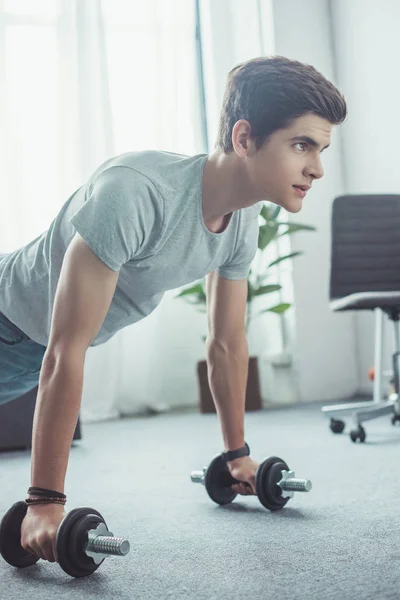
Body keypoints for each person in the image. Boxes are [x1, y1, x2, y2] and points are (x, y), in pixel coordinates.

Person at [0, 55, 347, 563]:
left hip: (29, 353)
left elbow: (227, 343)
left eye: (321, 149)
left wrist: (237, 456)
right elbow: (65, 349)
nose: (316, 168)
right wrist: (45, 503)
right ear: (245, 137)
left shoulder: (242, 221)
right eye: (302, 145)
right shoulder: (137, 193)